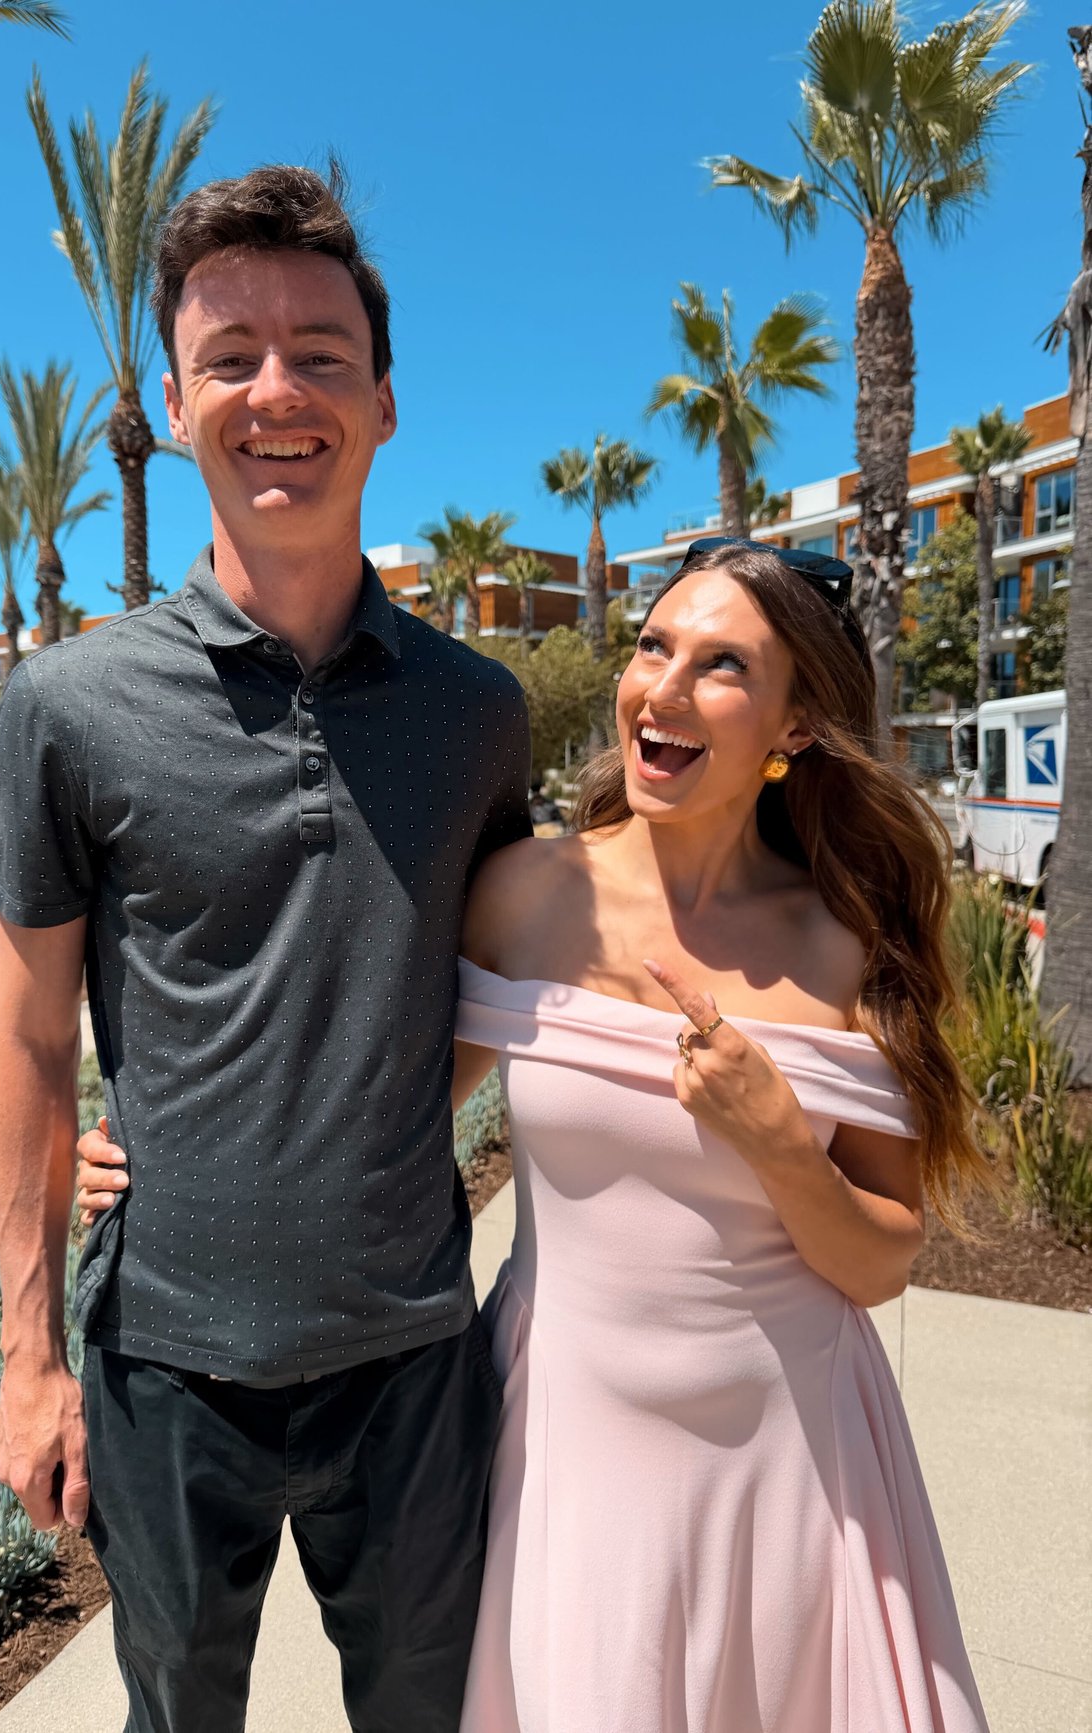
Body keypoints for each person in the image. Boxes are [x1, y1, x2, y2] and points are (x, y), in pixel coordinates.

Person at [81, 536, 993, 1732]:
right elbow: (386, 1097)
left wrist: (777, 1140)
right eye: (653, 646)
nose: (662, 689)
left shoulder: (850, 943)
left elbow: (879, 1257)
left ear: (798, 724)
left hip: (788, 1451)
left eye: (721, 665)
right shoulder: (522, 894)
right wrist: (166, 1148)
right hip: (566, 1438)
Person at [0, 162, 530, 1733]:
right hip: (161, 1366)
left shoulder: (478, 715)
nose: (276, 390)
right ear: (173, 404)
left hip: (413, 1359)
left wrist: (361, 1111)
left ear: (384, 404)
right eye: (230, 357)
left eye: (320, 353)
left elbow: (495, 979)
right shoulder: (69, 706)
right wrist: (29, 1358)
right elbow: (29, 1038)